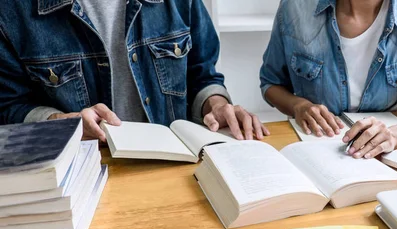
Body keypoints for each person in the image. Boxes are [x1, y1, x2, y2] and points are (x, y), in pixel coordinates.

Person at [0, 0, 268, 141]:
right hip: (80, 178)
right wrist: (61, 124)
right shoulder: (12, 10)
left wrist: (216, 105)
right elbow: (8, 105)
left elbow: (202, 74)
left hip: (175, 167)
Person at [260, 0, 397, 159]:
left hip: (393, 157)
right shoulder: (296, 7)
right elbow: (271, 83)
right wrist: (298, 105)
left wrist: (394, 136)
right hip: (318, 153)